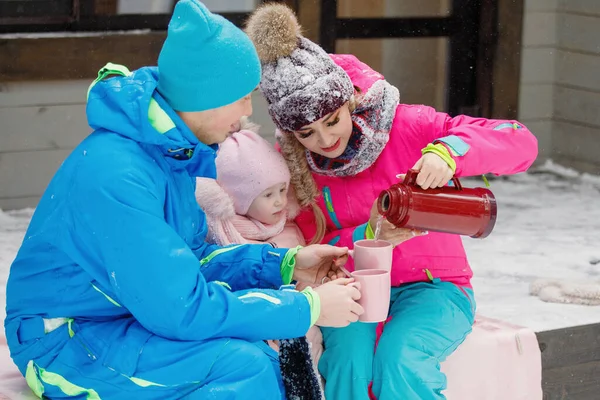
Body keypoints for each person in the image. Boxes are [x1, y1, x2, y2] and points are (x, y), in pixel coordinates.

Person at [3, 1, 363, 399]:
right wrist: (306, 310)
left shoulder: (169, 155)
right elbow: (181, 309)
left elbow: (193, 259)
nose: (248, 111)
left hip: (124, 314)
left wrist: (286, 266)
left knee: (249, 357)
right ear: (205, 95)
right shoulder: (119, 176)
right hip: (64, 336)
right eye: (242, 96)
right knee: (245, 372)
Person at [245, 4, 539, 400]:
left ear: (349, 100)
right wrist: (369, 234)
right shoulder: (297, 171)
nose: (325, 141)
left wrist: (448, 151)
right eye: (307, 133)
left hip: (435, 288)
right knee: (348, 363)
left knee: (401, 361)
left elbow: (519, 141)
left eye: (332, 120)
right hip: (351, 287)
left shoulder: (407, 126)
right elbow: (312, 240)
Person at [195, 125, 326, 399]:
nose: (279, 201)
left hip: (304, 328)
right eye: (268, 195)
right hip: (259, 335)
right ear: (236, 199)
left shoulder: (289, 226)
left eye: (282, 189)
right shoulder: (224, 237)